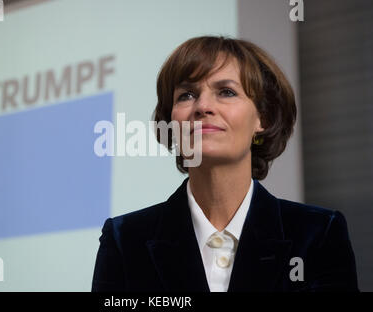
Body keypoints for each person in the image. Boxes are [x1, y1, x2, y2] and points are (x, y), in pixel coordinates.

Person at [91, 36, 359, 292]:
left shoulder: (318, 234)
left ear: (262, 118)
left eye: (227, 92)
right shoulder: (125, 240)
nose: (203, 106)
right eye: (186, 95)